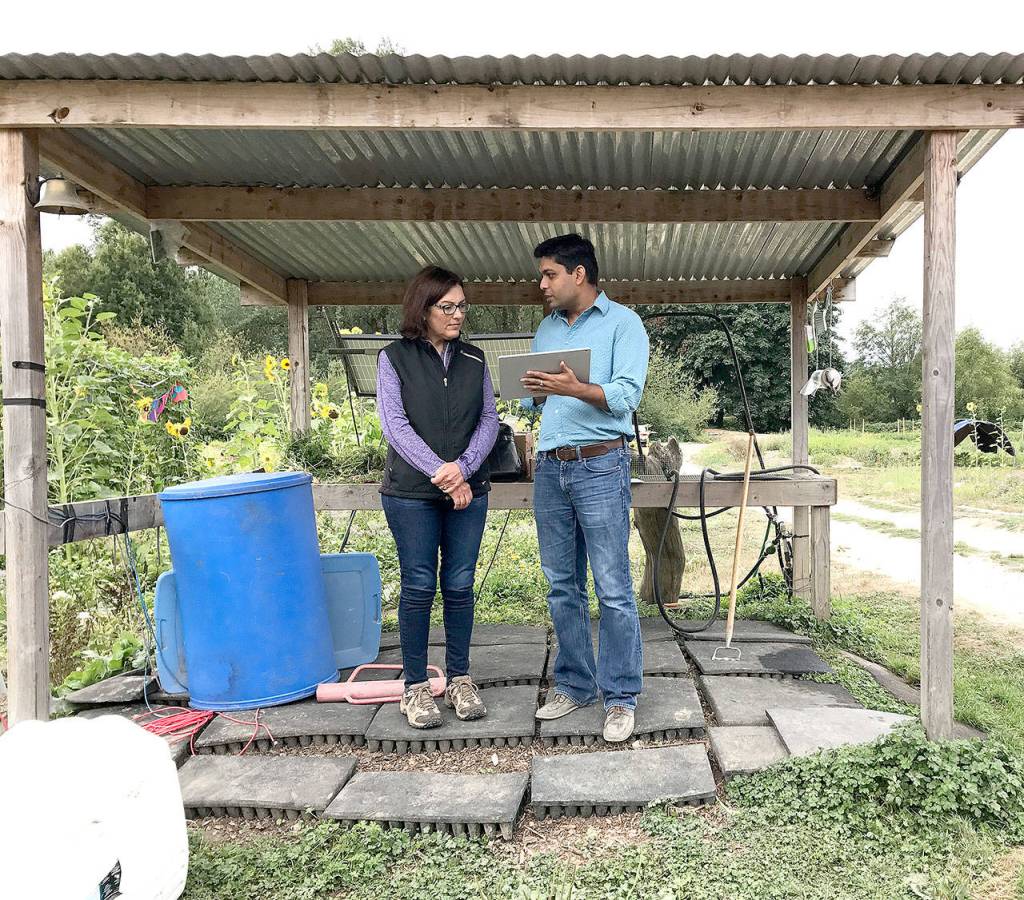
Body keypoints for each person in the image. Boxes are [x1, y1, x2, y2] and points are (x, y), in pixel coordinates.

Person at [519, 234, 650, 743]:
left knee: (613, 587)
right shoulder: (546, 328)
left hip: (600, 465)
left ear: (579, 274)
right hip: (551, 467)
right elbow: (539, 400)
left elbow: (625, 397)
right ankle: (574, 684)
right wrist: (531, 390)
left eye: (550, 274)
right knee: (561, 585)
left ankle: (620, 696)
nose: (543, 284)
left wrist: (574, 388)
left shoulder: (624, 324)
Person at [377, 265, 498, 729]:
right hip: (411, 492)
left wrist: (464, 468)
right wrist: (444, 475)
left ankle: (460, 678)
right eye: (447, 306)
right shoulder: (395, 358)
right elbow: (395, 425)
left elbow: (488, 421)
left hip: (470, 488)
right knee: (419, 584)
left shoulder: (474, 359)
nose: (457, 315)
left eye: (462, 306)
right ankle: (415, 688)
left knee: (461, 583)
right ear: (422, 308)